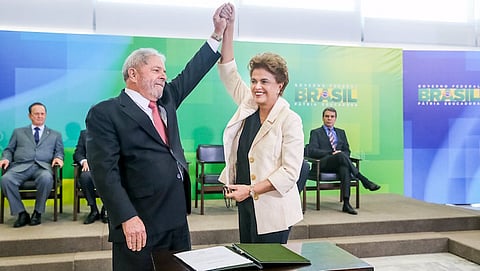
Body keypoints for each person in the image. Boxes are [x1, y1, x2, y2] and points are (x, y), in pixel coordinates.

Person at [85, 4, 232, 271]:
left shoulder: (167, 100)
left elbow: (192, 73)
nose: (163, 75)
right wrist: (126, 217)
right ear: (133, 74)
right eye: (155, 70)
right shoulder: (105, 113)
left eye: (164, 70)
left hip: (175, 219)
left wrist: (217, 33)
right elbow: (104, 172)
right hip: (139, 221)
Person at [219, 4, 304, 244]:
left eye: (264, 81)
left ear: (280, 85)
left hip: (274, 210)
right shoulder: (248, 105)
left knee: (270, 265)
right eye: (254, 80)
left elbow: (289, 173)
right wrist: (229, 27)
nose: (257, 86)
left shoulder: (290, 120)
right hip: (246, 205)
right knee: (249, 260)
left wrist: (252, 190)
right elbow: (228, 71)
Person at [306, 107, 381, 215]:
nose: (329, 119)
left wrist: (339, 154)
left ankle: (346, 203)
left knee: (344, 168)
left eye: (332, 116)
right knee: (340, 155)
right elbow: (312, 151)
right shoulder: (315, 132)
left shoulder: (341, 132)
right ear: (323, 118)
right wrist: (331, 153)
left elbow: (347, 151)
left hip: (338, 163)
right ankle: (363, 179)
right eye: (327, 116)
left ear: (335, 118)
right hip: (322, 163)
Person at [0, 102, 64, 227]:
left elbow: (59, 151)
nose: (40, 116)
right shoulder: (18, 132)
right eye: (36, 114)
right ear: (30, 116)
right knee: (6, 179)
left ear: (45, 115)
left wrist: (58, 158)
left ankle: (38, 212)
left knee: (46, 178)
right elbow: (9, 150)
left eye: (42, 114)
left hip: (42, 167)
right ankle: (21, 213)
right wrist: (6, 158)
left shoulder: (55, 134)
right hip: (20, 167)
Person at [73, 129, 108, 224]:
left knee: (111, 177)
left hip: (108, 167)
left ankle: (106, 209)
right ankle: (93, 209)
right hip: (90, 168)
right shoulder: (84, 134)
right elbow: (78, 153)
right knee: (85, 177)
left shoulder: (111, 132)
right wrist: (84, 161)